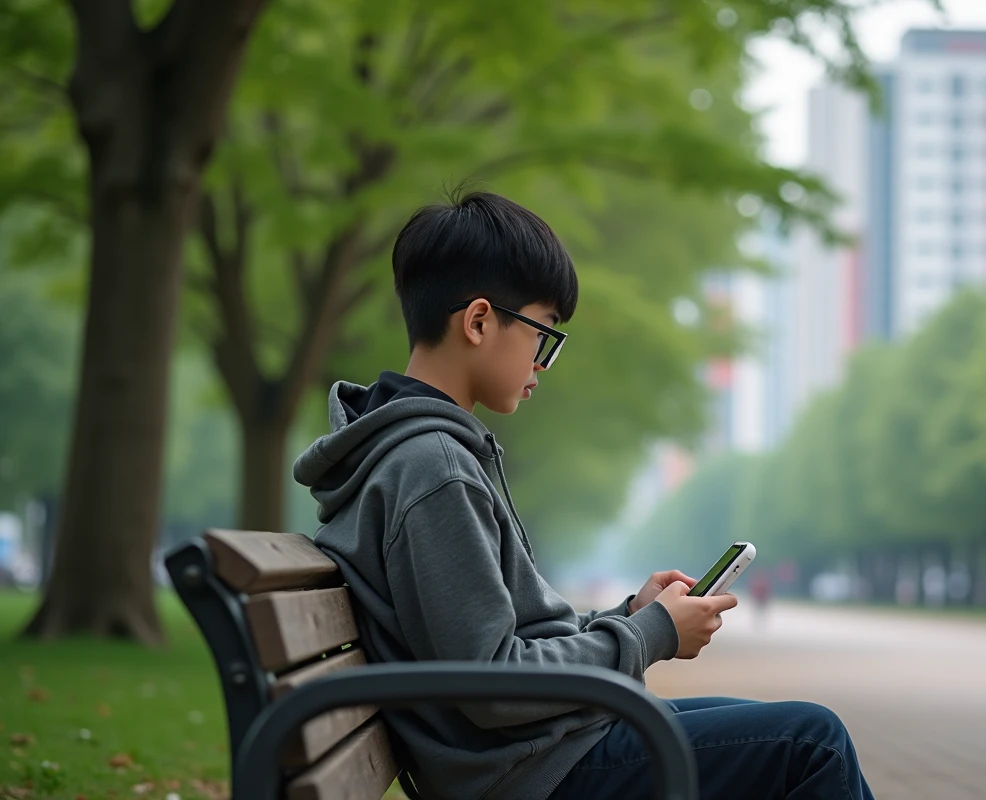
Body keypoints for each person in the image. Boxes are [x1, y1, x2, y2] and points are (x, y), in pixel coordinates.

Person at [294, 191, 874, 800]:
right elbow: (492, 682)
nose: (544, 363)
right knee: (814, 742)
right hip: (531, 774)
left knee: (786, 733)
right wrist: (652, 634)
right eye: (542, 334)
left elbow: (502, 643)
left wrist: (627, 617)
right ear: (479, 322)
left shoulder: (418, 453)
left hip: (542, 750)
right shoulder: (432, 468)